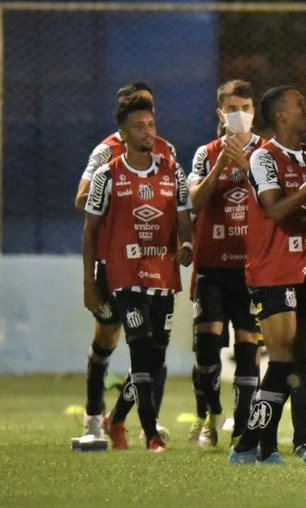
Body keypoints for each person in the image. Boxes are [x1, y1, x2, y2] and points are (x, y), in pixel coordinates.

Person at [82, 95, 194, 452]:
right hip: (124, 274)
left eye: (151, 125)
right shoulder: (106, 174)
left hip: (163, 274)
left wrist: (187, 244)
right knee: (140, 349)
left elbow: (183, 220)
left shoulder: (172, 169)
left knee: (155, 359)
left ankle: (117, 419)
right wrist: (89, 283)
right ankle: (151, 435)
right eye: (138, 127)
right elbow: (90, 229)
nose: (148, 132)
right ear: (122, 134)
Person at [227, 86, 306, 465]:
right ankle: (252, 444)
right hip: (273, 270)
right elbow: (276, 210)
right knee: (280, 360)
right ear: (281, 116)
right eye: (299, 105)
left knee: (298, 361)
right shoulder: (265, 158)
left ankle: (257, 445)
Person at [187, 80, 264, 447]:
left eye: (246, 107)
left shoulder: (266, 151)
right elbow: (196, 202)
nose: (241, 114)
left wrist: (247, 165)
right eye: (233, 108)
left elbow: (272, 201)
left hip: (253, 266)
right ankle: (210, 415)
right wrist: (220, 164)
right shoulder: (205, 153)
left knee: (248, 344)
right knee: (207, 345)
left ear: (254, 111)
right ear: (221, 113)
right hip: (213, 266)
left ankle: (244, 426)